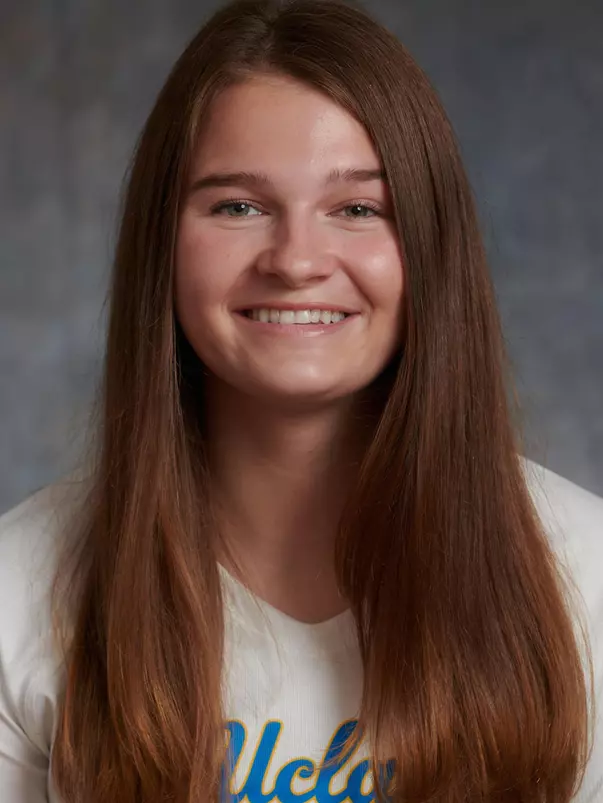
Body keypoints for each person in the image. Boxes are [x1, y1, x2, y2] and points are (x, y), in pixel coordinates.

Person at [0, 0, 602, 800]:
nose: (295, 260)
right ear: (162, 242)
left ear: (429, 246)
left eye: (356, 209)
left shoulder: (585, 576)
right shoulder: (19, 587)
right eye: (237, 206)